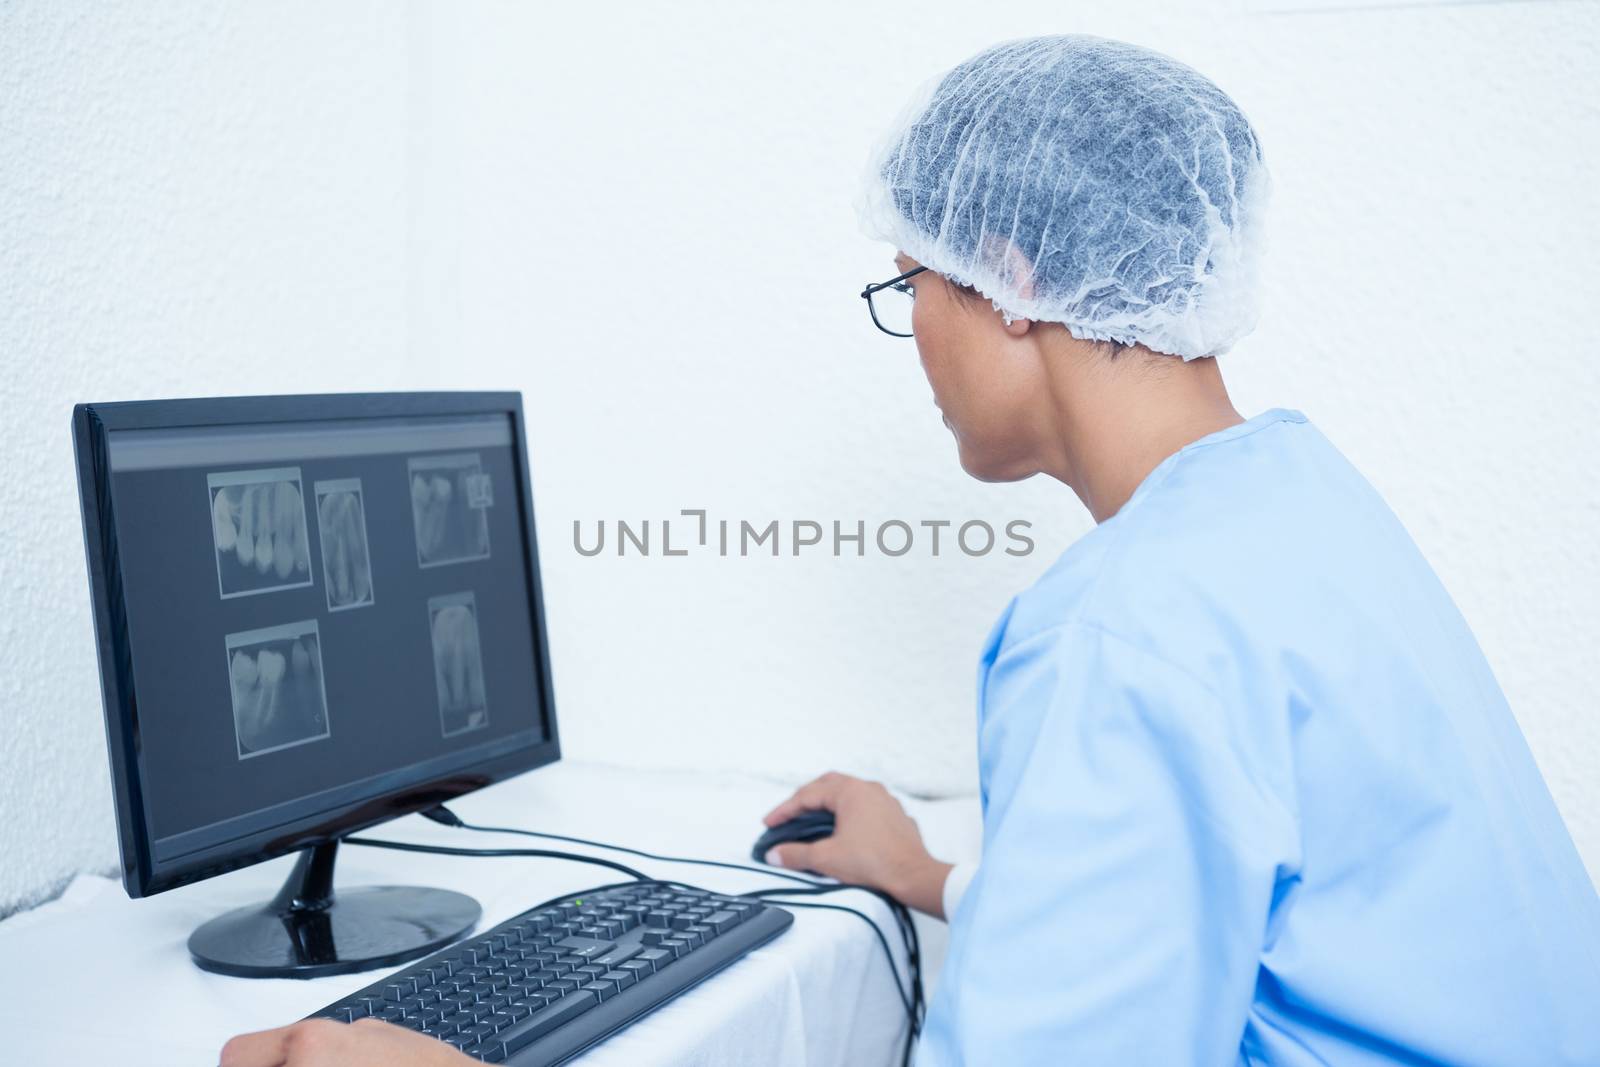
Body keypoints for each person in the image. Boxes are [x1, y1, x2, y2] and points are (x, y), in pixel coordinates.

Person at [221, 33, 1600, 1067]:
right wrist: (933, 878)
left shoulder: (1132, 629)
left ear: (1016, 277)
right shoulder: (1292, 505)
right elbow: (1289, 907)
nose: (914, 340)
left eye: (910, 281)